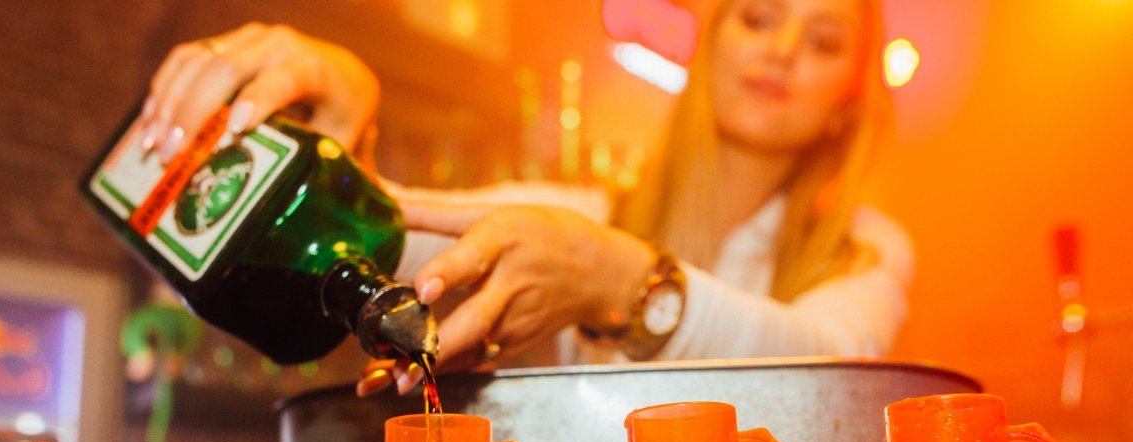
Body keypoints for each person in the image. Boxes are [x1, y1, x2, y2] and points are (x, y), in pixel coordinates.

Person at [138, 0, 911, 396]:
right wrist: (341, 139)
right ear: (712, 47)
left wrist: (626, 284)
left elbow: (833, 377)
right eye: (759, 18)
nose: (781, 51)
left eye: (823, 41)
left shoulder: (865, 249)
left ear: (849, 98)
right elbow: (406, 237)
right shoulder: (589, 216)